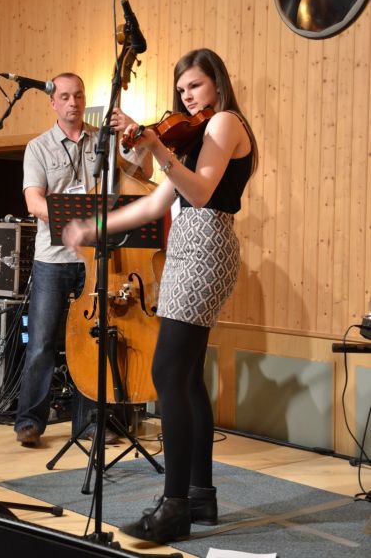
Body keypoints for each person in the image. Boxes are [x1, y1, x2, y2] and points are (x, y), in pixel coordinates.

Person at [63, 48, 258, 543]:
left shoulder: (226, 124)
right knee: (187, 376)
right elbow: (155, 201)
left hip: (207, 245)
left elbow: (200, 194)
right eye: (181, 89)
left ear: (216, 82)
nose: (186, 96)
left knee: (167, 370)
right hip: (189, 248)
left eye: (194, 85)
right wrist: (96, 226)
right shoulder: (194, 134)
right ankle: (199, 495)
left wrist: (158, 146)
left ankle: (174, 508)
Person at [14, 72, 153, 447]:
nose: (73, 103)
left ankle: (89, 423)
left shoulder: (103, 141)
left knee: (94, 340)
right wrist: (73, 222)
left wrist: (137, 133)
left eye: (78, 96)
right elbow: (34, 201)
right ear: (53, 102)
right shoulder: (38, 147)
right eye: (65, 97)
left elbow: (145, 172)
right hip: (54, 259)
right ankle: (29, 421)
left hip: (98, 261)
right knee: (42, 341)